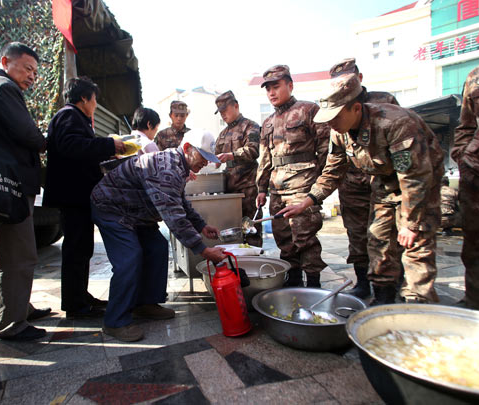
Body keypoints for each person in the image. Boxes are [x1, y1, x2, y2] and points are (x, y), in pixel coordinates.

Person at [280, 73, 444, 305]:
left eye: (335, 116)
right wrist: (308, 201)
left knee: (415, 247)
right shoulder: (339, 132)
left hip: (421, 185)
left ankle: (419, 308)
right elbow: (332, 171)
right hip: (383, 184)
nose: (330, 123)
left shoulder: (396, 123)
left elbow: (414, 178)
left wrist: (410, 223)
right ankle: (383, 301)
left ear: (356, 108)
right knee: (378, 241)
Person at [90, 129, 227, 342]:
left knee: (157, 246)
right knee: (130, 257)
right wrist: (203, 250)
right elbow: (173, 216)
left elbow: (179, 201)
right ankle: (115, 321)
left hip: (136, 211)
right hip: (112, 207)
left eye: (209, 159)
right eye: (203, 157)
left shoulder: (178, 165)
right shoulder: (167, 168)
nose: (205, 163)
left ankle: (145, 304)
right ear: (188, 149)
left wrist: (201, 225)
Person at [0, 42, 49, 341]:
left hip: (9, 183)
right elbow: (25, 131)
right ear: (5, 61)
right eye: (28, 69)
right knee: (17, 255)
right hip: (9, 185)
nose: (32, 77)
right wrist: (45, 141)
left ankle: (20, 308)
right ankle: (11, 323)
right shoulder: (1, 87)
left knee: (16, 251)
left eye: (35, 72)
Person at [43, 76, 125, 320]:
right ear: (84, 98)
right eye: (95, 99)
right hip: (72, 195)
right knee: (76, 249)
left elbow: (82, 150)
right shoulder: (69, 116)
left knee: (82, 248)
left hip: (78, 195)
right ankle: (75, 304)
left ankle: (79, 295)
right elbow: (74, 147)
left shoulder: (75, 118)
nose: (96, 104)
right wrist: (110, 144)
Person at [328, 58, 400, 299]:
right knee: (357, 234)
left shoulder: (385, 103)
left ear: (359, 78)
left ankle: (390, 283)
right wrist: (312, 198)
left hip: (387, 184)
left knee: (386, 235)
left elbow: (404, 155)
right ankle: (362, 281)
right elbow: (334, 162)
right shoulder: (335, 114)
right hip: (353, 183)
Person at [255, 65, 330, 288]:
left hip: (302, 187)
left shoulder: (309, 110)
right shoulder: (267, 122)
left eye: (276, 86)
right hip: (277, 189)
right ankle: (293, 278)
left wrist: (320, 185)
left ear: (290, 85)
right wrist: (261, 189)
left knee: (304, 237)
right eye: (267, 88)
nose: (271, 92)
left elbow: (326, 149)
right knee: (284, 239)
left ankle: (314, 283)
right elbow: (264, 158)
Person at [451, 64, 479, 310]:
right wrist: (464, 157)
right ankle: (475, 302)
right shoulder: (475, 77)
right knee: (474, 243)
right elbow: (466, 126)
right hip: (477, 176)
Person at [214, 90, 262, 247]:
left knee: (251, 229)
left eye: (225, 110)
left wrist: (231, 155)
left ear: (236, 106)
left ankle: (255, 263)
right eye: (220, 112)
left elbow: (253, 150)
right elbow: (214, 157)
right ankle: (236, 265)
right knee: (232, 231)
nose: (223, 115)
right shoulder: (222, 134)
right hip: (229, 190)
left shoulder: (250, 126)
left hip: (247, 188)